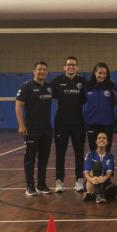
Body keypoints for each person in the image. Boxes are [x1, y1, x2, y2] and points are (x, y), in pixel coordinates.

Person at [15, 61, 53, 196]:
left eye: (44, 70)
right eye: (39, 69)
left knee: (43, 159)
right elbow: (18, 106)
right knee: (30, 159)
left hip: (47, 130)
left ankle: (41, 185)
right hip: (32, 129)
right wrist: (21, 125)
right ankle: (30, 186)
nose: (42, 72)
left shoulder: (49, 88)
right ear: (34, 71)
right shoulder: (26, 87)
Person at [51, 56, 87, 193]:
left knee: (79, 153)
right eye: (68, 65)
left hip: (78, 123)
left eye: (73, 65)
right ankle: (59, 181)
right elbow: (48, 94)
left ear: (77, 67)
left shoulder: (83, 82)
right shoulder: (57, 82)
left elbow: (87, 97)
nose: (71, 67)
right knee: (60, 153)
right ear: (64, 67)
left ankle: (79, 180)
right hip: (61, 123)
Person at [82, 132, 117, 204]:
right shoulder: (90, 155)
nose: (101, 140)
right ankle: (99, 195)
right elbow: (86, 173)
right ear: (96, 141)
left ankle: (94, 196)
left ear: (107, 142)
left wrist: (103, 179)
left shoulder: (110, 156)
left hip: (104, 182)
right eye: (99, 138)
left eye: (104, 138)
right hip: (92, 183)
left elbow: (109, 173)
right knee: (97, 165)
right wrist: (92, 179)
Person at [84, 62, 116, 152]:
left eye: (104, 73)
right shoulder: (88, 87)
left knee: (107, 151)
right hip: (92, 124)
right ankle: (96, 167)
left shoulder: (111, 87)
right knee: (94, 151)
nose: (102, 75)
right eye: (100, 73)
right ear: (95, 72)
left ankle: (106, 166)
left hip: (108, 124)